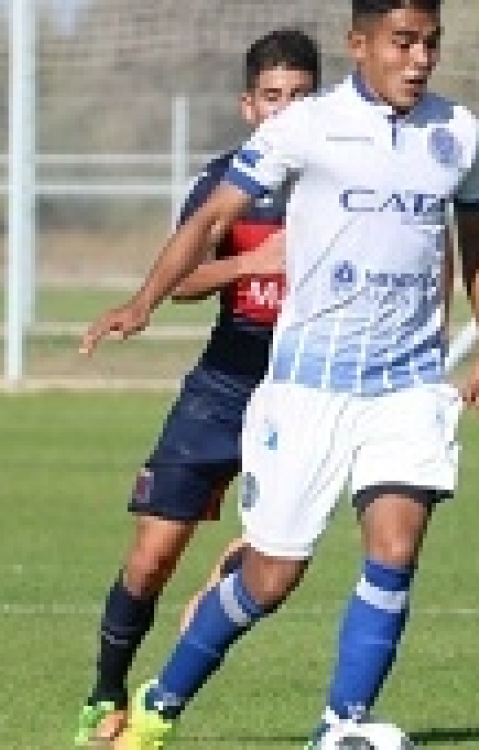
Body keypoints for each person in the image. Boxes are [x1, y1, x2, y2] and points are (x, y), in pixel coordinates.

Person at [79, 1, 479, 747]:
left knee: (396, 549)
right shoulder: (305, 128)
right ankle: (161, 703)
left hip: (407, 383)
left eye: (431, 44)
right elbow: (211, 219)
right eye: (403, 43)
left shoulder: (459, 134)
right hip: (308, 385)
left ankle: (341, 726)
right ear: (359, 44)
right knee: (270, 577)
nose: (419, 60)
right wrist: (143, 301)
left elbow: (478, 236)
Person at [73, 28, 320, 747]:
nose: (285, 109)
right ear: (249, 105)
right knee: (151, 557)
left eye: (300, 96)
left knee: (276, 553)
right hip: (224, 384)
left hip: (306, 392)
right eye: (272, 96)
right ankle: (104, 691)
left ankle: (199, 632)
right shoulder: (227, 183)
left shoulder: (341, 185)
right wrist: (253, 265)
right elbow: (181, 279)